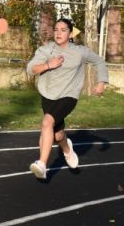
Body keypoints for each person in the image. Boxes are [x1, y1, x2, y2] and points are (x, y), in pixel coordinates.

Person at [25, 17, 108, 180]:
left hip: (69, 95)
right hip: (48, 95)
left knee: (46, 123)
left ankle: (42, 165)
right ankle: (67, 149)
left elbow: (99, 61)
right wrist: (49, 65)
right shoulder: (46, 50)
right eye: (56, 30)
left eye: (63, 30)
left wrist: (101, 82)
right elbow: (30, 69)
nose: (59, 33)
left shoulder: (79, 51)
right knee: (57, 135)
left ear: (70, 34)